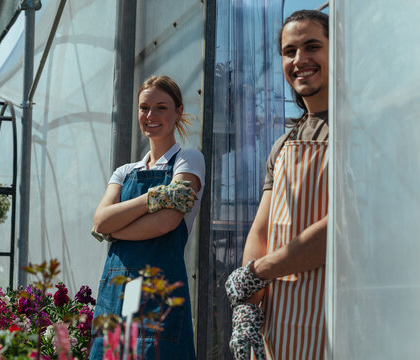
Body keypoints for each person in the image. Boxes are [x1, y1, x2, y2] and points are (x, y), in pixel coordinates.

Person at [226, 10, 329, 360]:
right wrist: (248, 309)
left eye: (312, 46)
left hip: (336, 314)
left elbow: (345, 229)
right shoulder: (283, 144)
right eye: (289, 51)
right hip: (281, 321)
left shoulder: (359, 129)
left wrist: (257, 273)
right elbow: (261, 229)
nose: (300, 60)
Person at [89, 75, 205, 360]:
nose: (151, 115)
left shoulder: (188, 160)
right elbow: (101, 220)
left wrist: (114, 231)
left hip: (158, 295)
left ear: (178, 112)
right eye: (144, 108)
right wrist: (153, 198)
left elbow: (166, 222)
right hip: (119, 292)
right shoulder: (124, 171)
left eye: (161, 108)